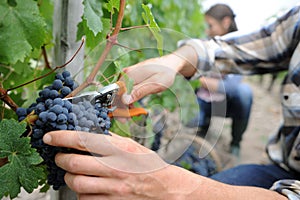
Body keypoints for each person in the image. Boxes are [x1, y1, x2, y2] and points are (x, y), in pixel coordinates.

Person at [43, 5, 300, 199]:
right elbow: (223, 51)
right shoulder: (296, 19)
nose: (208, 30)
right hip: (282, 166)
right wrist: (173, 62)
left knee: (242, 97)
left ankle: (234, 141)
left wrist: (183, 189)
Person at [187, 4, 253, 157]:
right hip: (203, 100)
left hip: (227, 103)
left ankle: (236, 142)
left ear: (225, 22)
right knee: (191, 120)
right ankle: (203, 125)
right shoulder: (205, 42)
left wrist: (198, 77)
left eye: (210, 25)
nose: (207, 30)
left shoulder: (240, 48)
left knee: (244, 93)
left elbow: (229, 87)